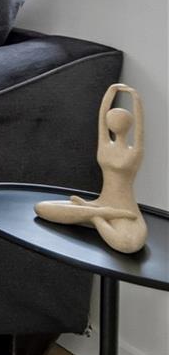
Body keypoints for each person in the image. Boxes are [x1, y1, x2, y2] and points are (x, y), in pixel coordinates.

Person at [35, 83, 147, 253]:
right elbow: (101, 116)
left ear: (128, 124)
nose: (112, 121)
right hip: (100, 203)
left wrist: (135, 97)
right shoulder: (105, 145)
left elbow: (139, 128)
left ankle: (96, 216)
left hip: (125, 208)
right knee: (42, 207)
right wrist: (111, 91)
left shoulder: (134, 151)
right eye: (111, 118)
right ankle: (99, 214)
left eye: (118, 119)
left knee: (128, 244)